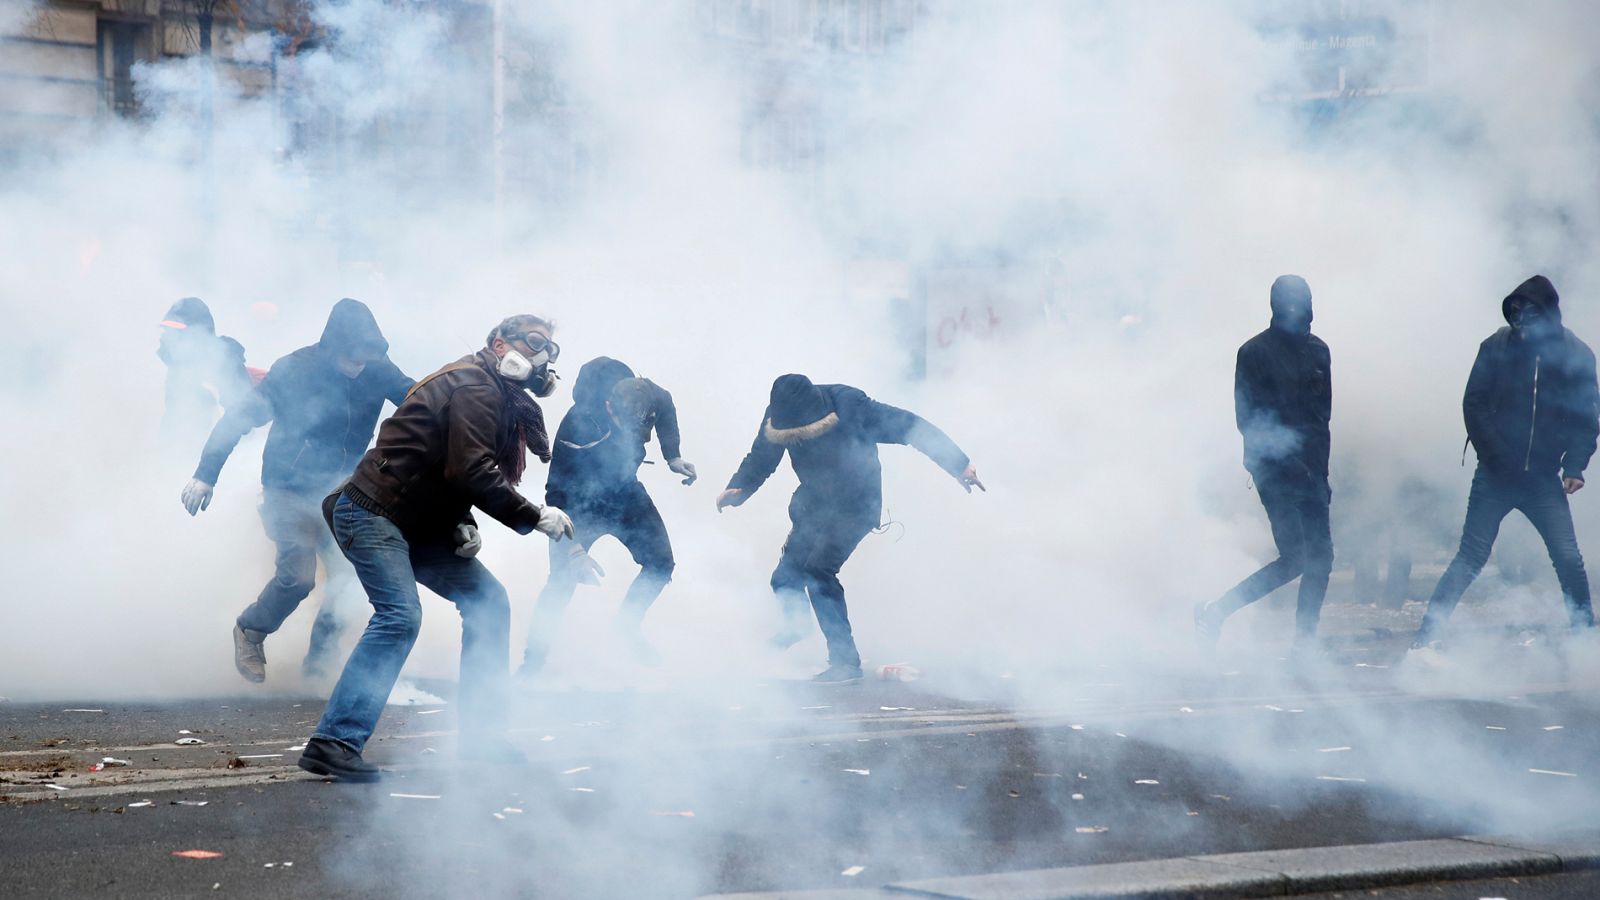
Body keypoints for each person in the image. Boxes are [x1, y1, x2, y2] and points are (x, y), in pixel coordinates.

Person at [298, 315, 573, 782]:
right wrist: (533, 516)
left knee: (488, 602)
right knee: (400, 616)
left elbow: (445, 464)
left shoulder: (490, 389)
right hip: (373, 512)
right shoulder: (476, 387)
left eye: (549, 350)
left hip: (417, 521)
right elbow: (471, 470)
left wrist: (460, 521)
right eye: (533, 344)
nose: (541, 357)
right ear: (499, 342)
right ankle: (333, 743)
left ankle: (483, 738)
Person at [181, 299, 413, 682]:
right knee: (299, 577)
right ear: (334, 346)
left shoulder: (376, 368)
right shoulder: (295, 369)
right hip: (287, 490)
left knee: (350, 578)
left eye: (366, 359)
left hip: (344, 493)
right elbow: (239, 416)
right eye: (352, 356)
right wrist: (206, 473)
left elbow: (420, 399)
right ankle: (251, 630)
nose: (358, 366)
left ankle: (318, 667)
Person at [716, 374, 982, 685]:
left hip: (857, 504)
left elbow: (910, 426)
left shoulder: (850, 405)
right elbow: (762, 457)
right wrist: (739, 488)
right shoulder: (778, 414)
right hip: (814, 505)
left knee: (818, 571)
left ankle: (845, 662)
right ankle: (797, 625)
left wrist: (959, 464)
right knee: (784, 579)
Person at [1410, 275, 1599, 654]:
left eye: (1530, 314)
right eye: (1515, 313)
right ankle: (1426, 640)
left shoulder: (1577, 355)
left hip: (1542, 478)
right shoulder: (1495, 346)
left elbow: (1586, 416)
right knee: (1471, 556)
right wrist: (1497, 455)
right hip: (1496, 475)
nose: (1521, 322)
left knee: (1567, 558)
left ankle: (1586, 641)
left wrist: (1575, 466)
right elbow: (1474, 404)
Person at [520, 358, 697, 677]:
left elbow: (666, 406)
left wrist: (673, 456)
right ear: (607, 406)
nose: (634, 428)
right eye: (623, 419)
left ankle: (626, 627)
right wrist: (574, 551)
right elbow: (556, 493)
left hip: (627, 495)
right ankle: (532, 663)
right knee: (561, 581)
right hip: (579, 505)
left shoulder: (650, 396)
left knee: (661, 564)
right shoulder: (577, 425)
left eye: (640, 422)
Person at [1195, 275, 1333, 657]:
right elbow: (1249, 420)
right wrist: (1289, 466)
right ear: (1275, 307)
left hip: (1312, 472)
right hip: (1274, 472)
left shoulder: (1319, 350)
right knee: (1295, 559)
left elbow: (1323, 418)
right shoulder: (1254, 352)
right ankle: (1216, 610)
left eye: (1301, 306)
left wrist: (1321, 474)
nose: (1296, 315)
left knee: (1322, 560)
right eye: (1289, 306)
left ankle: (1304, 646)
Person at [156, 297, 255, 446]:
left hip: (219, 454)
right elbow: (175, 415)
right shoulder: (179, 365)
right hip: (180, 451)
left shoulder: (225, 362)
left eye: (177, 332)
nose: (170, 337)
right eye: (169, 331)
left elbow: (240, 420)